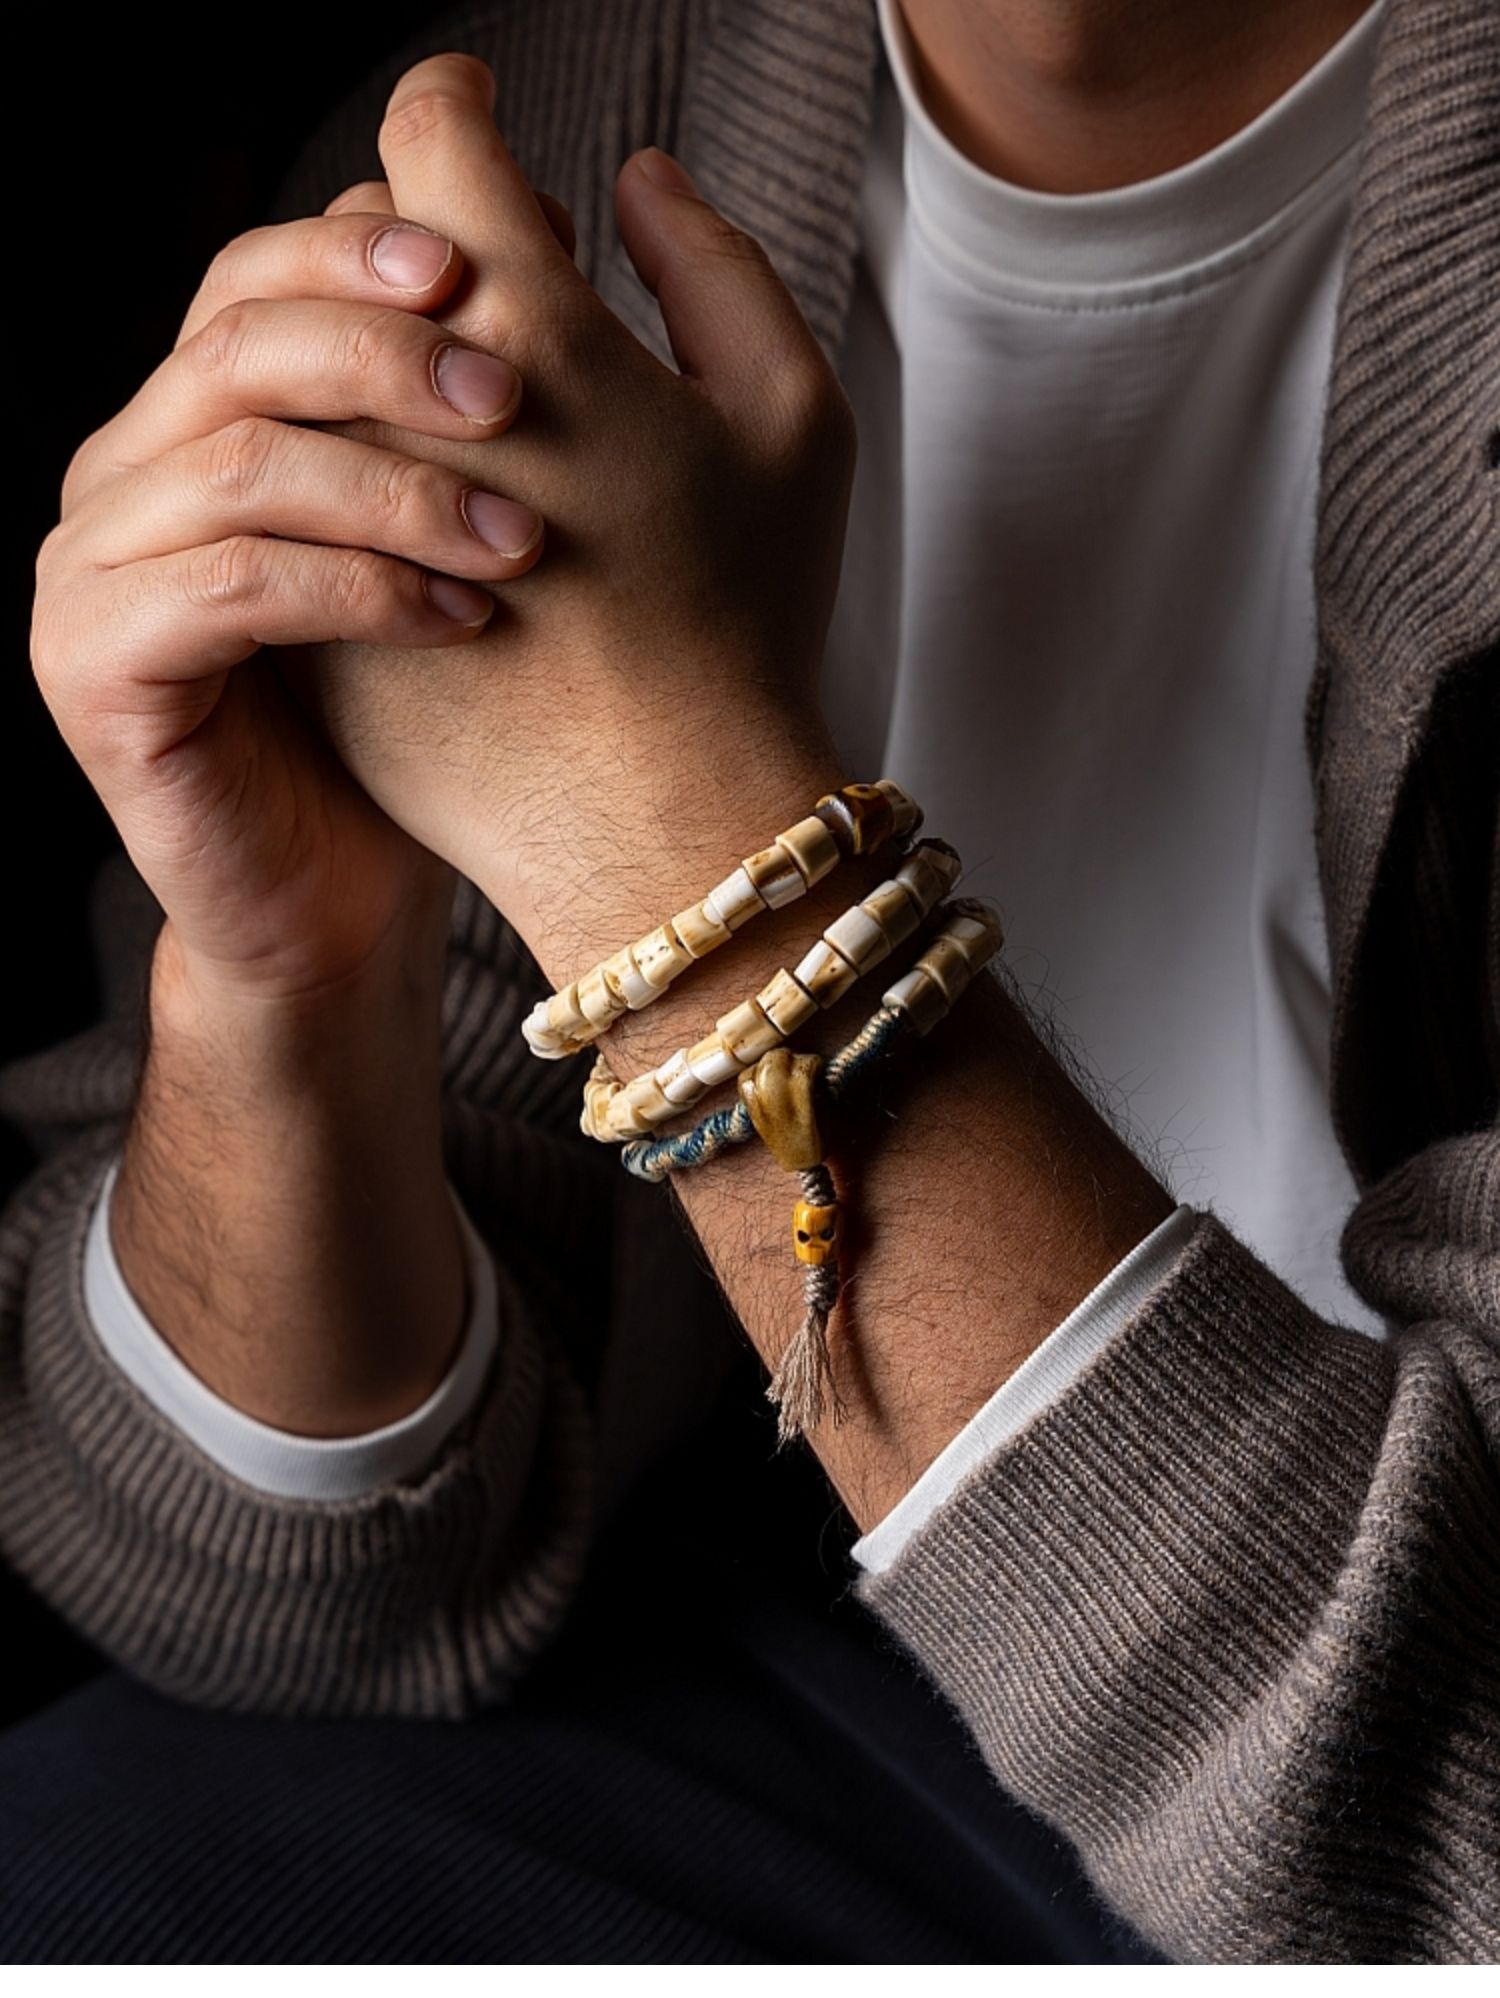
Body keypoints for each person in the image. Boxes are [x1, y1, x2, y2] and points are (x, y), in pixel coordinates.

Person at [3, 0, 1496, 1964]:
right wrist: (284, 976)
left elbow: (1438, 1838)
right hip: (839, 1678)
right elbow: (268, 1598)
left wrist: (661, 820)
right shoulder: (543, 131)